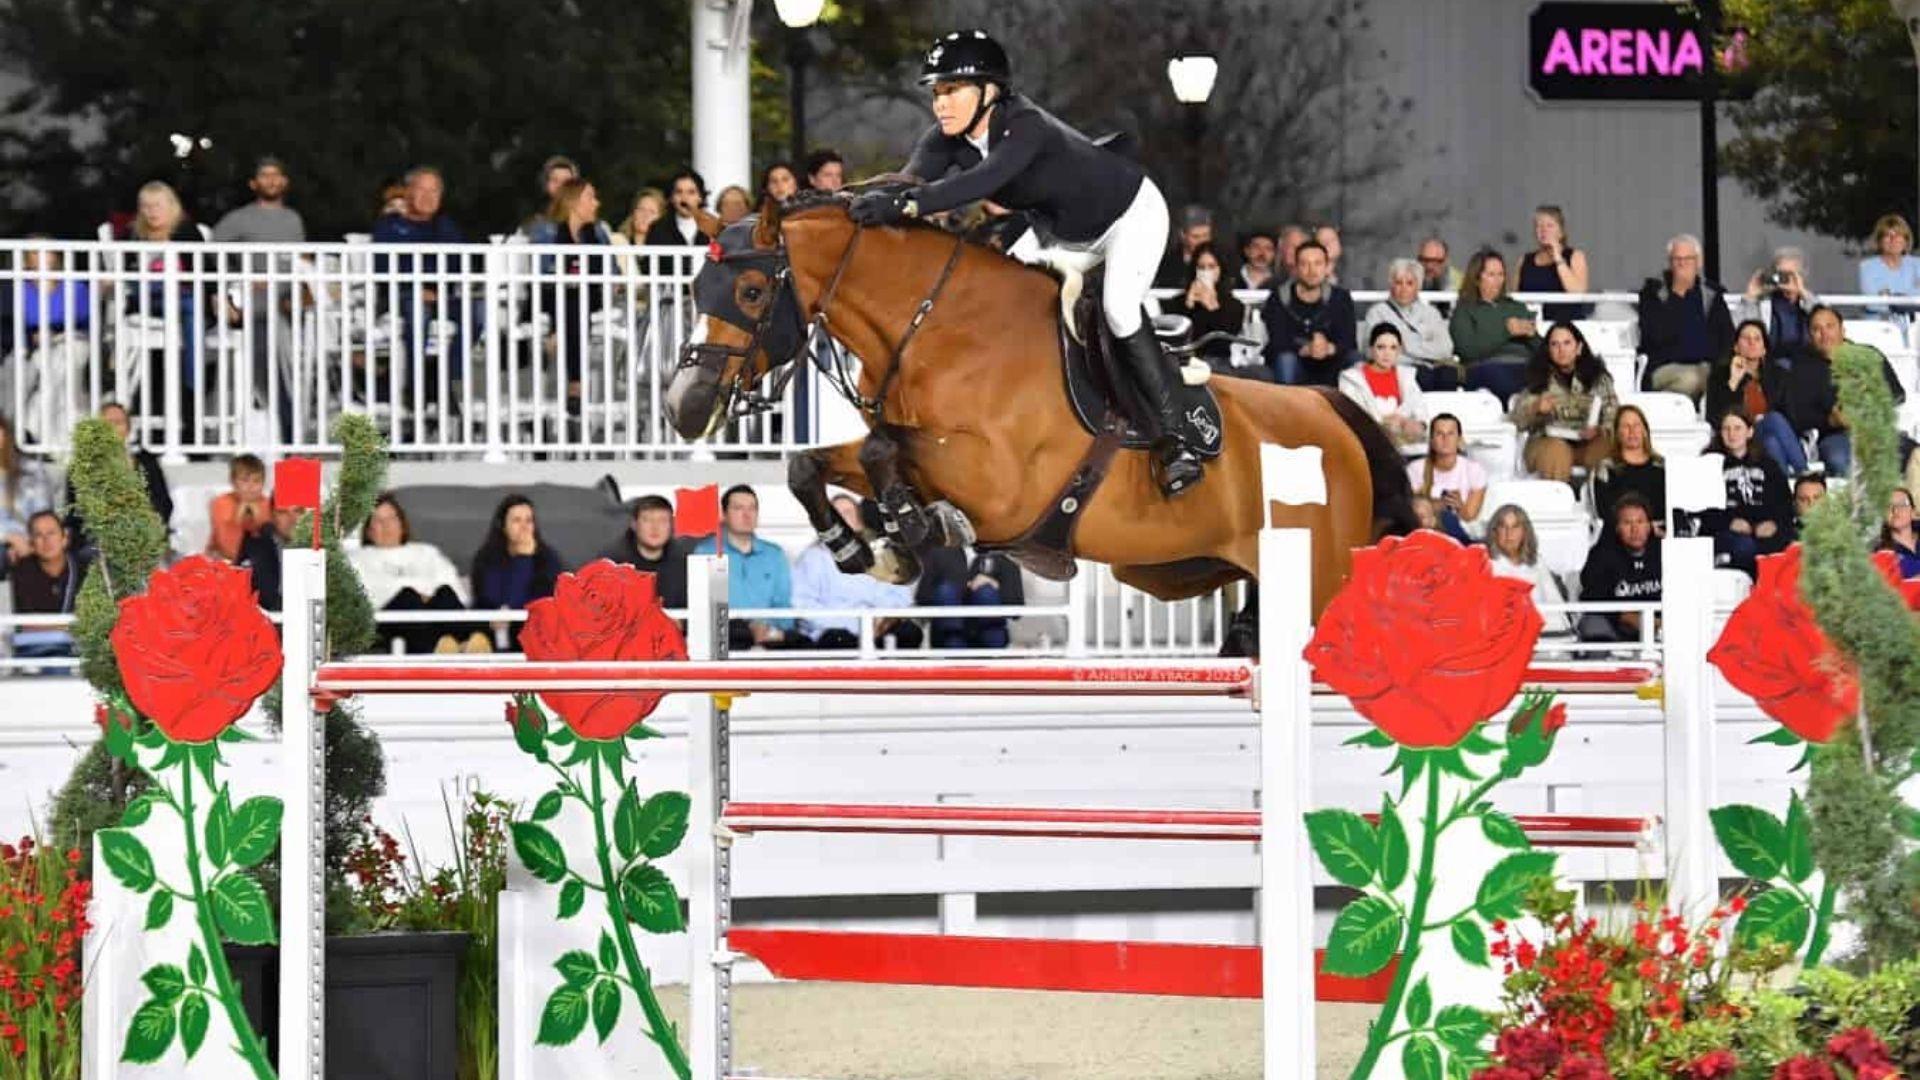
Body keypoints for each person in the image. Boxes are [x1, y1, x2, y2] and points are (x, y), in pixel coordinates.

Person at [848, 30, 1205, 496]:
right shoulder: (944, 139)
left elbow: (980, 182)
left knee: (1118, 308)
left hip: (1129, 215)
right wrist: (844, 203)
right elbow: (905, 181)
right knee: (1000, 301)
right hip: (1061, 233)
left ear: (990, 91)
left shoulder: (1025, 125)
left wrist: (907, 207)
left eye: (952, 90)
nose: (941, 104)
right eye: (937, 92)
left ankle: (1175, 440)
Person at [1771, 305, 1907, 478]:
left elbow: (1898, 394)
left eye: (1830, 326)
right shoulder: (1801, 368)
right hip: (1836, 437)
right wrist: (1831, 420)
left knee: (1912, 455)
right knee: (1840, 460)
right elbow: (1797, 416)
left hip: (1877, 431)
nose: (1824, 334)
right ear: (1810, 336)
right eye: (1817, 329)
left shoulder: (1869, 355)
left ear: (1842, 330)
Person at [792, 495, 922, 649]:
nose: (842, 518)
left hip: (879, 627)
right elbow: (802, 605)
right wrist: (856, 624)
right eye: (836, 514)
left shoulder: (882, 551)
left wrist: (882, 619)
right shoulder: (813, 556)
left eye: (847, 512)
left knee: (910, 632)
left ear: (859, 519)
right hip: (837, 630)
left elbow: (901, 595)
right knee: (839, 639)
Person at [354, 493, 478, 654]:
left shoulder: (427, 552)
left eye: (392, 518)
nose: (387, 525)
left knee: (445, 592)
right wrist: (420, 593)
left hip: (432, 615)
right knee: (408, 597)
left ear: (402, 524)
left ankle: (465, 645)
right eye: (378, 520)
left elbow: (454, 588)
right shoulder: (358, 558)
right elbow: (369, 594)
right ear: (369, 530)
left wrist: (423, 596)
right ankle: (439, 648)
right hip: (387, 623)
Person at [538, 178, 614, 419]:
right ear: (573, 202)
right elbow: (540, 273)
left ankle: (574, 383)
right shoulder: (548, 231)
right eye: (590, 197)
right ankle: (575, 384)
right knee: (570, 300)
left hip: (587, 297)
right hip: (552, 296)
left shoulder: (597, 232)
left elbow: (610, 271)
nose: (597, 203)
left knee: (576, 302)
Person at [1509, 321, 1618, 484]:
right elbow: (1518, 419)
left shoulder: (1598, 378)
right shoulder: (1538, 377)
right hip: (1547, 442)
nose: (1561, 350)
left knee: (1609, 444)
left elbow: (1614, 413)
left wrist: (1600, 430)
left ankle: (1601, 497)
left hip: (1587, 442)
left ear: (1579, 347)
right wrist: (1536, 408)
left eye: (1567, 343)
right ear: (1548, 350)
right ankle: (1558, 503)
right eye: (1555, 344)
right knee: (1556, 451)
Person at [1689, 409, 1793, 577]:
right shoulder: (1708, 464)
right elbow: (1700, 510)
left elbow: (1785, 503)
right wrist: (1729, 522)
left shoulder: (1769, 465)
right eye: (1726, 429)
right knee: (1745, 548)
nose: (1732, 434)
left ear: (1749, 431)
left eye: (1737, 428)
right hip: (1726, 532)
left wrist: (1775, 524)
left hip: (1764, 530)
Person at [66, 401, 172, 558]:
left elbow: (164, 503)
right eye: (107, 423)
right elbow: (75, 511)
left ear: (127, 429)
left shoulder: (147, 461)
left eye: (119, 422)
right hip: (98, 539)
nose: (113, 428)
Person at [1637, 233, 1736, 400]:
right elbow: (1655, 336)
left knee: (1726, 379)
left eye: (1688, 259)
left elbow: (1727, 337)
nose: (1682, 264)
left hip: (1707, 366)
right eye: (1677, 259)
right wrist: (1677, 295)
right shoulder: (1653, 293)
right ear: (1670, 263)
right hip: (1665, 367)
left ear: (1698, 263)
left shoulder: (1711, 294)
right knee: (1693, 379)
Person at [710, 485, 807, 650]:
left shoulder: (774, 554)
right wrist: (749, 630)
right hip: (726, 638)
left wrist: (770, 627)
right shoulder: (708, 552)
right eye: (738, 508)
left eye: (752, 508)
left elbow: (783, 603)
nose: (747, 515)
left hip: (770, 636)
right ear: (724, 515)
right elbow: (710, 608)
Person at [471, 495, 564, 650]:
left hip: (531, 633)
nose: (524, 527)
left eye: (528, 520)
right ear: (503, 525)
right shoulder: (487, 557)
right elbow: (489, 598)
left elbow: (541, 601)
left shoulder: (548, 559)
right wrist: (503, 612)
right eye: (516, 520)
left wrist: (524, 559)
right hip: (491, 629)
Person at [1261, 239, 1357, 387]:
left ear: (1326, 267)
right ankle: (1287, 408)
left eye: (1318, 264)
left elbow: (1348, 340)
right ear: (1296, 268)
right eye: (1305, 264)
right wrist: (1306, 348)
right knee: (1285, 359)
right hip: (1296, 364)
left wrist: (1329, 348)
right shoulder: (1278, 297)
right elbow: (1277, 341)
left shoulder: (1340, 298)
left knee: (1355, 359)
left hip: (1332, 364)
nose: (1312, 271)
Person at [1448, 249, 1537, 403]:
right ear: (1476, 278)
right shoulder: (1464, 310)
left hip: (1524, 364)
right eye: (1491, 275)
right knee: (1502, 377)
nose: (1498, 280)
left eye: (1501, 274)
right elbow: (1467, 351)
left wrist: (1533, 335)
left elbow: (1540, 349)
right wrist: (1506, 331)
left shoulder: (1516, 307)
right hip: (1486, 366)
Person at [1578, 493, 1662, 643]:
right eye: (1627, 523)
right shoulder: (1600, 557)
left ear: (1649, 526)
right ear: (1617, 528)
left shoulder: (1664, 553)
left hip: (1661, 628)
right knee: (1592, 624)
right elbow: (1592, 601)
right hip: (1615, 631)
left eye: (1640, 522)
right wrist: (1625, 616)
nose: (1635, 529)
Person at [1363, 258, 1456, 390]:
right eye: (1398, 283)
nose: (1404, 288)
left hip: (1432, 369)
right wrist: (1425, 349)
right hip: (1400, 369)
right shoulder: (1377, 313)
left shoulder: (1431, 313)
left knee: (1449, 375)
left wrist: (1408, 345)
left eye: (1410, 283)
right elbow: (1371, 352)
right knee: (1421, 376)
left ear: (1418, 286)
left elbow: (1446, 349)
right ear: (1391, 285)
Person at [916, 544, 1023, 649]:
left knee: (985, 592)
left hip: (990, 639)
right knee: (946, 591)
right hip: (949, 639)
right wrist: (959, 589)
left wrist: (995, 585)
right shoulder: (939, 554)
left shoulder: (1005, 557)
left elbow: (1016, 607)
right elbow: (923, 597)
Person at [1171, 243, 1255, 377]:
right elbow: (1178, 339)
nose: (1205, 272)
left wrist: (1212, 307)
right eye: (1201, 267)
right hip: (1184, 363)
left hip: (1218, 363)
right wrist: (1189, 303)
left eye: (1211, 267)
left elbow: (1223, 342)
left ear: (1220, 269)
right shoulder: (1179, 301)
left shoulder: (1233, 305)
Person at [1487, 504, 1571, 636]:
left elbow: (1556, 605)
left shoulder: (1538, 563)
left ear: (1524, 531)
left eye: (1515, 527)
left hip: (1545, 640)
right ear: (1495, 531)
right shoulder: (1484, 565)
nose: (1509, 534)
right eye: (1503, 527)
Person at [5, 510, 80, 657]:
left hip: (77, 648)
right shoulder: (22, 570)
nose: (46, 541)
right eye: (39, 535)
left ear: (64, 538)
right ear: (31, 542)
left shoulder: (81, 567)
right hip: (34, 648)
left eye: (51, 533)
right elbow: (29, 626)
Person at [1338, 324, 1426, 447]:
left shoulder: (1407, 376)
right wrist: (1383, 422)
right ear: (1371, 349)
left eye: (1393, 348)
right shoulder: (1351, 378)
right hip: (1368, 442)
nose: (1387, 353)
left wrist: (1416, 424)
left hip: (1408, 443)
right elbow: (1352, 415)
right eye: (1381, 347)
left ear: (1399, 350)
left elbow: (1421, 411)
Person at [597, 494, 692, 608]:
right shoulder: (611, 564)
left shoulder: (684, 563)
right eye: (647, 520)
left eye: (662, 521)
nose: (655, 527)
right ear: (634, 524)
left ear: (671, 525)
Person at [1404, 413, 1486, 534]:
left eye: (1450, 434)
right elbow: (1411, 511)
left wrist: (1459, 506)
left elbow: (1470, 516)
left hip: (1458, 532)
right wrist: (1437, 505)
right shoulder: (1414, 469)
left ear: (1459, 439)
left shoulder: (1474, 470)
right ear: (1431, 440)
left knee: (1449, 520)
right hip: (1423, 530)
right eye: (1439, 434)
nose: (1445, 439)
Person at [1590, 405, 1666, 529]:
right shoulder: (1606, 470)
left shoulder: (1662, 467)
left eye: (1636, 425)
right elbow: (1605, 514)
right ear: (1617, 433)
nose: (1632, 431)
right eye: (1626, 426)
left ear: (1644, 430)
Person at [1736, 248, 1816, 358]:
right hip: (1770, 365)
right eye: (1780, 274)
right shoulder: (1764, 303)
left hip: (1805, 365)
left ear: (1801, 276)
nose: (1784, 279)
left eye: (1789, 274)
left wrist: (1803, 293)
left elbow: (1827, 321)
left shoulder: (1809, 303)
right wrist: (1750, 297)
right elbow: (1740, 331)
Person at [1516, 205, 1591, 322]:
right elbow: (1514, 297)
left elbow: (1577, 293)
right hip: (1533, 327)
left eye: (1549, 225)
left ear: (1561, 231)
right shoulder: (1524, 260)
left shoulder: (1575, 256)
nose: (1543, 230)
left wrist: (1558, 258)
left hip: (1566, 328)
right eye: (1539, 226)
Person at [0, 417, 56, 567]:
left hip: (31, 541)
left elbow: (42, 514)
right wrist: (8, 537)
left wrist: (28, 542)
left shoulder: (31, 471)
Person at [206, 453, 272, 562]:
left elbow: (270, 544)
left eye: (257, 481)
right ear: (233, 481)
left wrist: (258, 520)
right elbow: (227, 547)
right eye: (244, 480)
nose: (251, 486)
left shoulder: (268, 504)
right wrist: (237, 519)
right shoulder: (220, 503)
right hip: (223, 559)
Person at [1857, 213, 1920, 321]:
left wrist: (1889, 296)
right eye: (1887, 235)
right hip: (1881, 328)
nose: (1893, 239)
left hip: (1914, 328)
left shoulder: (1917, 264)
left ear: (1906, 240)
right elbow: (1873, 305)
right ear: (1880, 241)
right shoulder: (1867, 267)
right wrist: (1908, 299)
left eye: (1898, 235)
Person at [644, 169, 718, 246]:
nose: (684, 198)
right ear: (672, 198)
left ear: (700, 197)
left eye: (691, 192)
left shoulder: (713, 226)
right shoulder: (658, 229)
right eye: (679, 192)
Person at [1876, 487, 1920, 578]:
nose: (1895, 511)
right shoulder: (1882, 553)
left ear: (1913, 512)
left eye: (1902, 504)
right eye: (1889, 506)